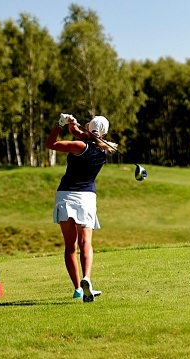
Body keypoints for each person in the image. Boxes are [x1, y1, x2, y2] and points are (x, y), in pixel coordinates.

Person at [45, 113, 116, 302]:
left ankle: (78, 289)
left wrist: (59, 125)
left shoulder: (79, 146)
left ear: (89, 127)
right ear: (105, 133)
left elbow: (50, 144)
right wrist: (72, 125)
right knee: (86, 244)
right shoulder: (104, 150)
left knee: (70, 246)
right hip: (86, 198)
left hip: (66, 196)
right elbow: (80, 133)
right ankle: (87, 279)